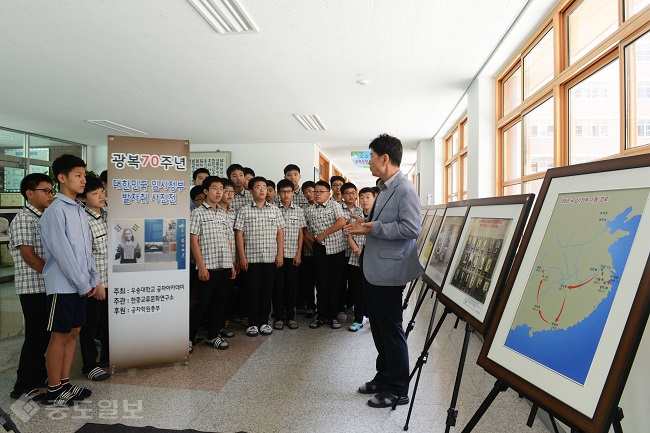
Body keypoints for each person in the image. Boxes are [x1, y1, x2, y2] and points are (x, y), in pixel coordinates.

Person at [344, 134, 422, 408]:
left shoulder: (405, 189)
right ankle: (384, 376)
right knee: (378, 327)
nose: (369, 163)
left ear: (385, 158)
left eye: (372, 158)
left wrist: (372, 227)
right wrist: (365, 221)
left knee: (390, 330)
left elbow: (412, 228)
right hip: (374, 268)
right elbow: (384, 222)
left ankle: (399, 388)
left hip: (390, 271)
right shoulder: (385, 188)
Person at [39, 154, 101, 406]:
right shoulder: (55, 212)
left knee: (73, 333)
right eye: (78, 175)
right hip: (63, 286)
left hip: (80, 285)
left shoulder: (78, 209)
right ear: (61, 178)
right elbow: (63, 254)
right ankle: (53, 389)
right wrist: (83, 283)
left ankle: (64, 383)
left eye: (84, 175)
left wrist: (92, 279)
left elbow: (87, 250)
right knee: (60, 335)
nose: (83, 180)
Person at [8, 173, 54, 401]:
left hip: (45, 285)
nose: (50, 195)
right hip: (32, 287)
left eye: (51, 190)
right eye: (45, 191)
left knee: (44, 334)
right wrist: (53, 274)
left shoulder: (43, 217)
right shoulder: (24, 219)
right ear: (29, 193)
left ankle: (38, 375)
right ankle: (22, 386)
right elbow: (28, 255)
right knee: (36, 336)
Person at [189, 176, 236, 353]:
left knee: (219, 303)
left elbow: (228, 240)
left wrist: (231, 264)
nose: (219, 192)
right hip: (207, 266)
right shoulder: (198, 213)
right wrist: (201, 266)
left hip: (224, 265)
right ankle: (189, 337)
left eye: (221, 189)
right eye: (215, 188)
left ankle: (213, 336)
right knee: (201, 304)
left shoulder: (224, 214)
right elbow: (194, 241)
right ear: (206, 191)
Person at [234, 177, 284, 337]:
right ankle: (253, 323)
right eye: (258, 187)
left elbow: (280, 233)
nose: (262, 190)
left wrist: (280, 254)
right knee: (252, 292)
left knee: (266, 292)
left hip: (270, 258)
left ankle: (264, 322)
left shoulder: (275, 210)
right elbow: (239, 235)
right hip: (251, 259)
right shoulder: (244, 210)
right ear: (251, 191)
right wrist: (242, 257)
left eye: (265, 187)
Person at [78, 175, 111, 381]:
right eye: (94, 193)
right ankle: (90, 364)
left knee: (110, 322)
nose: (101, 196)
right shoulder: (84, 220)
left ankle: (107, 358)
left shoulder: (108, 214)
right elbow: (85, 255)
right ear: (83, 198)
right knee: (89, 325)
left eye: (101, 191)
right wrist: (96, 283)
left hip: (114, 279)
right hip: (95, 284)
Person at [303, 181, 347, 329]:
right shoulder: (309, 210)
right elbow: (305, 229)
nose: (317, 194)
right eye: (315, 191)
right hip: (320, 250)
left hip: (337, 250)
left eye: (321, 191)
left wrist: (323, 234)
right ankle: (320, 316)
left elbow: (341, 222)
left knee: (335, 284)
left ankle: (333, 316)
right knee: (321, 284)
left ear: (328, 193)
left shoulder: (334, 204)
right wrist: (310, 239)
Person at [273, 179, 306, 330]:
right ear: (278, 193)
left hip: (293, 254)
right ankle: (279, 317)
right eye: (283, 191)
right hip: (276, 255)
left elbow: (301, 234)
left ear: (293, 193)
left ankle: (291, 317)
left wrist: (299, 253)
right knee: (278, 287)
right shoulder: (273, 209)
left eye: (288, 191)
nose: (286, 195)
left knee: (292, 287)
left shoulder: (299, 210)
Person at [347, 187, 376, 332]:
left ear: (374, 198)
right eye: (362, 197)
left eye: (368, 197)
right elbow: (349, 235)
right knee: (357, 289)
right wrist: (357, 250)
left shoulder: (377, 216)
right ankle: (359, 319)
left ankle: (371, 316)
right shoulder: (355, 214)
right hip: (355, 258)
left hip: (373, 260)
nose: (365, 200)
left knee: (371, 290)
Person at [338, 182, 363, 321]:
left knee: (354, 283)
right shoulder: (337, 209)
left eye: (353, 193)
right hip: (341, 250)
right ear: (342, 195)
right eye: (347, 193)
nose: (351, 196)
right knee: (341, 281)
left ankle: (350, 305)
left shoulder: (360, 211)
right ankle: (340, 307)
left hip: (355, 253)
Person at [297, 181, 316, 318]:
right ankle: (310, 306)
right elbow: (303, 232)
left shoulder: (327, 206)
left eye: (311, 190)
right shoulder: (303, 210)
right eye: (305, 192)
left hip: (325, 250)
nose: (308, 194)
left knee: (322, 280)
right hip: (307, 251)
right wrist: (310, 249)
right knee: (308, 281)